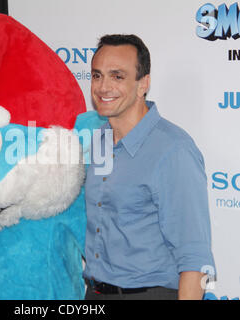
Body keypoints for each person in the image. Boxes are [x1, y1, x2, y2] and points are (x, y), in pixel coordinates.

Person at [83, 34, 215, 300]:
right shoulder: (96, 141)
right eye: (97, 76)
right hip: (95, 294)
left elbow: (194, 257)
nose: (103, 87)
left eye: (117, 76)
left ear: (143, 84)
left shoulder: (173, 150)